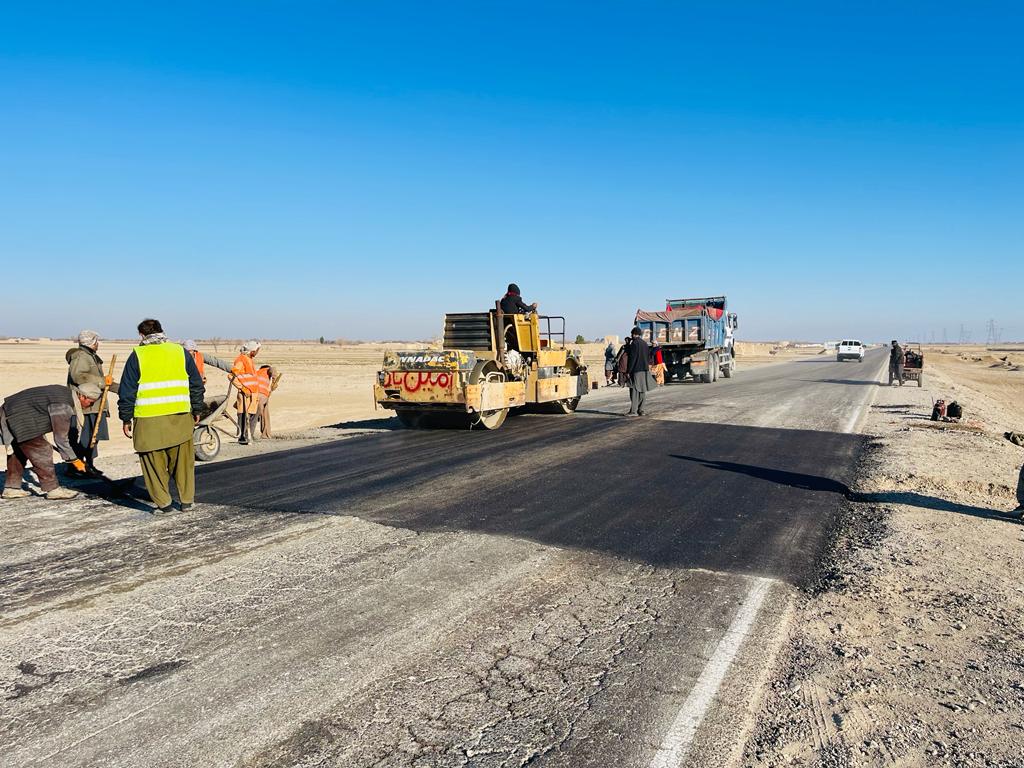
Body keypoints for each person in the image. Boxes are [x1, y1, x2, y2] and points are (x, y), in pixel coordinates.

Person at [118, 319, 205, 514]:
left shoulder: (137, 356)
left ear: (141, 335)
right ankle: (187, 502)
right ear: (162, 331)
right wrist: (197, 410)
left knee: (153, 465)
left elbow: (127, 391)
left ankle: (164, 504)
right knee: (183, 463)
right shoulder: (179, 351)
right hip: (180, 418)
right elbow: (196, 384)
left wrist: (125, 418)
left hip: (148, 421)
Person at [1, 383, 100, 500]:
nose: (90, 406)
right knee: (42, 450)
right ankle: (52, 489)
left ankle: (11, 488)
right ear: (83, 397)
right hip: (19, 417)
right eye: (91, 402)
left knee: (20, 451)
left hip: (12, 412)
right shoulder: (63, 404)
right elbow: (61, 438)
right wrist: (74, 460)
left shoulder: (65, 393)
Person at [66, 329, 116, 475]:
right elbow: (77, 376)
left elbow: (103, 382)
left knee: (93, 438)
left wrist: (121, 389)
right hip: (84, 406)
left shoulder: (90, 356)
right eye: (96, 341)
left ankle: (89, 465)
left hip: (93, 406)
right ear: (92, 343)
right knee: (82, 438)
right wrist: (101, 381)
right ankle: (76, 468)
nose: (98, 344)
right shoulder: (81, 356)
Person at [232, 340, 261, 444]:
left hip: (252, 395)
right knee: (243, 415)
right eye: (257, 350)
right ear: (252, 350)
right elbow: (232, 376)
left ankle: (249, 436)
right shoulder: (241, 360)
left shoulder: (249, 359)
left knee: (253, 414)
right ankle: (242, 438)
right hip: (245, 395)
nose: (258, 352)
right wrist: (243, 388)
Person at [626, 327, 654, 416]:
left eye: (632, 334)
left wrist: (628, 371)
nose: (631, 335)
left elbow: (632, 358)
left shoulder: (634, 344)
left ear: (634, 334)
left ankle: (633, 411)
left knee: (634, 390)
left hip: (636, 370)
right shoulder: (645, 344)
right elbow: (649, 357)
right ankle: (641, 410)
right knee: (642, 390)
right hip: (644, 370)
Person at [254, 364, 281, 439]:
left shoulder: (257, 372)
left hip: (254, 395)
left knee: (256, 413)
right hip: (262, 395)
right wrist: (274, 381)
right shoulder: (267, 370)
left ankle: (251, 433)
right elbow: (273, 369)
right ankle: (265, 434)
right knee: (265, 414)